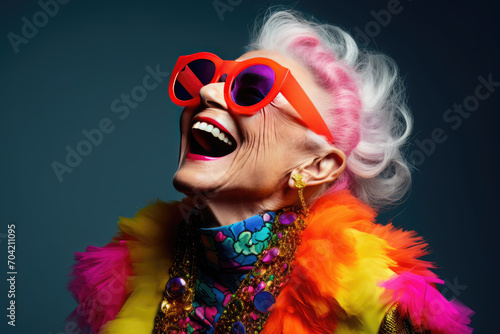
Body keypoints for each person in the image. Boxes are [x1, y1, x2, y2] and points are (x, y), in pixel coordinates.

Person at [67, 10, 473, 334]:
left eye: (251, 89)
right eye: (211, 77)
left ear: (317, 166)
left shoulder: (373, 301)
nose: (207, 92)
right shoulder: (130, 270)